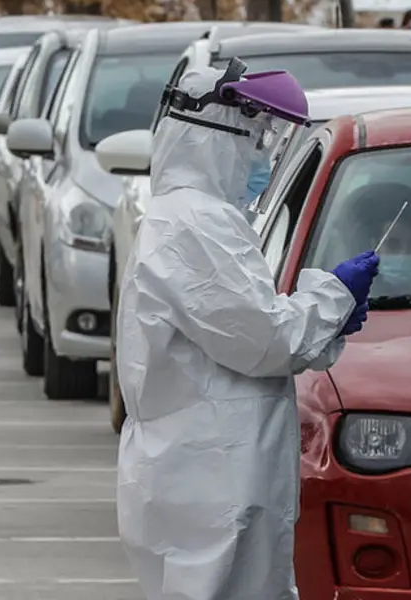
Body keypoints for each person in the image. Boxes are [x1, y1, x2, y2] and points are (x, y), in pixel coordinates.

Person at [116, 60, 380, 600]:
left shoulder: (191, 217)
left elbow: (242, 328)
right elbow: (265, 340)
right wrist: (333, 295)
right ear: (217, 138)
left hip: (203, 469)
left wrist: (326, 316)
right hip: (211, 476)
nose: (262, 156)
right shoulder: (195, 224)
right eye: (257, 139)